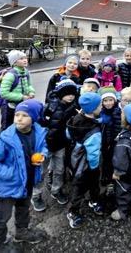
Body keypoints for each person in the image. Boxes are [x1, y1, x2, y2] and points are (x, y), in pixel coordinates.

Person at [0, 99, 47, 252]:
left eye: (24, 115)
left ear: (34, 118)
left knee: (23, 209)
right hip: (9, 186)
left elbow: (44, 147)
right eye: (17, 114)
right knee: (1, 217)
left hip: (28, 181)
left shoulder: (39, 132)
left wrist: (42, 155)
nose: (18, 118)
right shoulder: (6, 139)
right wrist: (12, 173)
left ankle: (22, 232)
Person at [66, 92, 104, 229]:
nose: (101, 107)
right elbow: (93, 154)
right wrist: (94, 167)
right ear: (93, 109)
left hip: (75, 158)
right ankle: (73, 211)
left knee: (81, 184)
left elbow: (68, 134)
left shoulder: (76, 118)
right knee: (85, 185)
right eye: (99, 105)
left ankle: (93, 199)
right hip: (87, 165)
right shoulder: (94, 131)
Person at [42, 79, 79, 207]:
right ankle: (36, 195)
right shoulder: (51, 106)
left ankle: (56, 190)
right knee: (42, 171)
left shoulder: (74, 107)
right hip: (46, 145)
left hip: (61, 144)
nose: (70, 96)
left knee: (60, 169)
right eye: (67, 93)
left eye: (73, 94)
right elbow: (41, 122)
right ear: (61, 93)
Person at [0, 50, 35, 131]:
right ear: (14, 62)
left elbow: (29, 85)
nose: (25, 60)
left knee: (20, 126)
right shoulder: (10, 75)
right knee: (7, 128)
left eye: (25, 58)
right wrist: (22, 97)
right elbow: (3, 93)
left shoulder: (26, 72)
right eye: (21, 58)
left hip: (22, 105)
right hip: (10, 107)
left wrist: (31, 92)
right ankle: (3, 142)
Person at [98, 86, 122, 193]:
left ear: (115, 100)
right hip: (104, 142)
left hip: (114, 142)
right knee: (105, 160)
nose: (108, 103)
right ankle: (105, 177)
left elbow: (119, 127)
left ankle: (112, 179)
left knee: (113, 160)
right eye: (105, 101)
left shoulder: (118, 112)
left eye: (110, 100)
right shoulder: (101, 112)